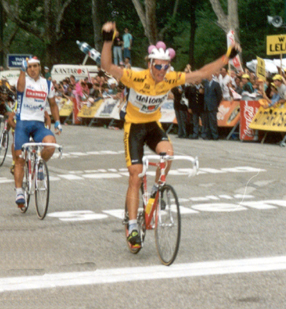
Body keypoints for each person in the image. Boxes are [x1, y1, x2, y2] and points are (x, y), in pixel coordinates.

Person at [100, 21, 238, 252]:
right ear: (151, 64)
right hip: (133, 127)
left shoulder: (171, 78)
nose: (162, 72)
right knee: (134, 175)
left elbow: (203, 73)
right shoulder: (135, 76)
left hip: (152, 125)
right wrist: (106, 40)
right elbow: (106, 65)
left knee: (169, 154)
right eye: (158, 67)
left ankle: (157, 189)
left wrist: (227, 57)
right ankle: (132, 225)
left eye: (166, 67)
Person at [13, 56, 62, 208]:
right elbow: (20, 89)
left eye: (35, 66)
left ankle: (40, 165)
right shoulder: (24, 80)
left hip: (38, 124)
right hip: (23, 123)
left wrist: (57, 121)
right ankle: (19, 190)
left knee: (51, 145)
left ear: (40, 67)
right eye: (29, 67)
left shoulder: (47, 84)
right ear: (26, 69)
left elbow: (53, 104)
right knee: (20, 158)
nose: (32, 69)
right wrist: (22, 71)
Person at [202, 75, 223, 140]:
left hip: (212, 105)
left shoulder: (216, 84)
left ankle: (215, 135)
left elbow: (219, 95)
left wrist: (216, 104)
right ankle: (208, 135)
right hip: (206, 105)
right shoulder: (205, 84)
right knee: (207, 122)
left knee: (213, 121)